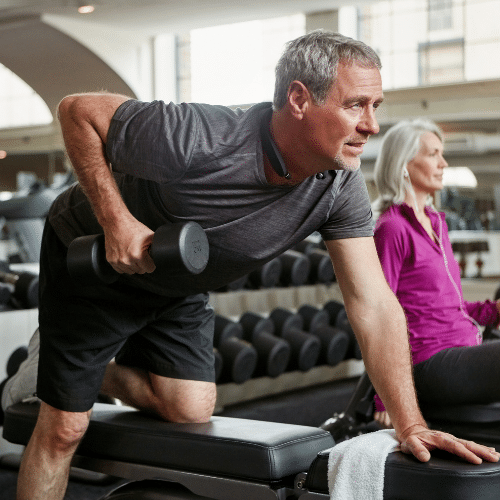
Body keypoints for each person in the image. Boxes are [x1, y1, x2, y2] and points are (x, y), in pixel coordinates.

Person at [2, 31, 498, 500]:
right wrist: (116, 222)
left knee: (190, 406)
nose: (371, 124)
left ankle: (66, 367)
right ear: (300, 99)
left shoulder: (338, 188)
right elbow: (76, 111)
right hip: (93, 262)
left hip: (178, 281)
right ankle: (64, 377)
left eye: (375, 106)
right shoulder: (200, 136)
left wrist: (409, 424)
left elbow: (373, 303)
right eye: (355, 105)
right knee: (66, 426)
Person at [371, 118, 500, 428]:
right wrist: (386, 397)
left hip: (465, 347)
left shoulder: (437, 224)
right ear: (403, 163)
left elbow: (448, 306)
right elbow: (377, 316)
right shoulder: (391, 229)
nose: (443, 163)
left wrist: (493, 311)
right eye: (433, 154)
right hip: (429, 362)